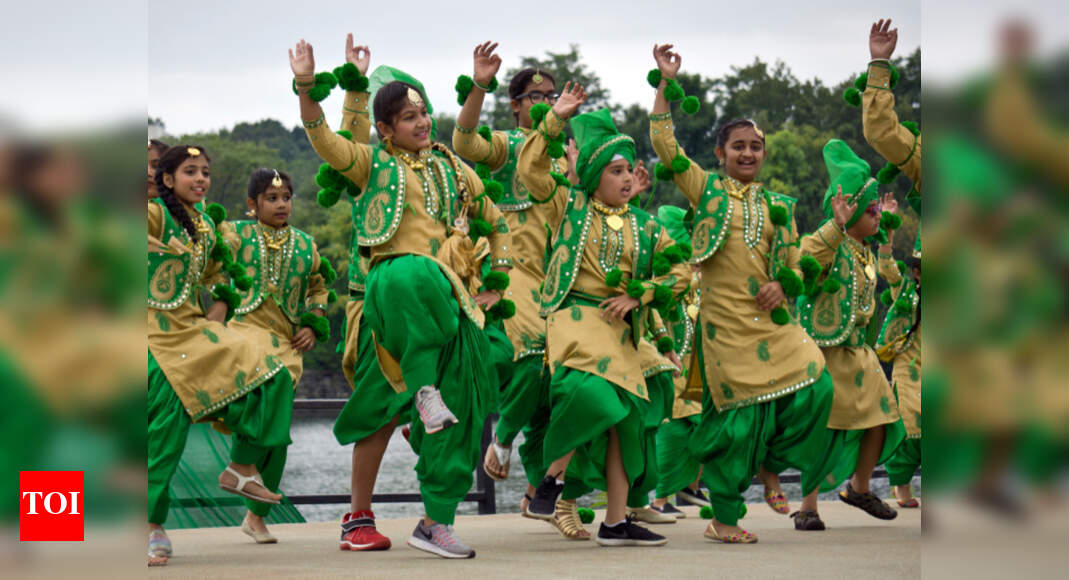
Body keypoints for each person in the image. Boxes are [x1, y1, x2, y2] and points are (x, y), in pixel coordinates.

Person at [290, 38, 513, 559]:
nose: (423, 122)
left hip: (449, 303)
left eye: (424, 113)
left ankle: (436, 522)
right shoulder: (371, 165)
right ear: (385, 128)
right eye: (410, 117)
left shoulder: (453, 168)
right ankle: (358, 517)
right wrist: (307, 85)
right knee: (380, 410)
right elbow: (325, 139)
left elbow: (496, 223)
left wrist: (496, 283)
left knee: (464, 406)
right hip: (393, 304)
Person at [648, 44, 835, 544]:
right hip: (724, 326)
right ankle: (725, 520)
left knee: (818, 386)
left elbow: (794, 265)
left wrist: (781, 283)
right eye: (738, 146)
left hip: (771, 325)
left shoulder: (779, 206)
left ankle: (769, 465)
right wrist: (665, 83)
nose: (748, 153)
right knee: (734, 426)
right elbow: (665, 144)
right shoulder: (705, 189)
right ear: (721, 153)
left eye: (755, 146)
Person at [516, 76, 691, 545]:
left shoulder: (647, 226)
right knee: (597, 398)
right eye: (616, 171)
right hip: (576, 321)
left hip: (621, 330)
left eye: (630, 169)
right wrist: (556, 118)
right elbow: (531, 170)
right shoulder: (568, 205)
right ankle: (551, 478)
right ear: (594, 176)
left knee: (626, 423)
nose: (628, 178)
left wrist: (642, 294)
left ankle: (615, 522)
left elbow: (683, 273)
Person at [148, 145, 294, 565]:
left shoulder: (207, 227)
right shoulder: (155, 213)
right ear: (168, 179)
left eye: (205, 172)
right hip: (150, 334)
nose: (201, 179)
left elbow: (221, 272)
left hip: (193, 332)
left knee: (274, 376)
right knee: (165, 430)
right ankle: (149, 524)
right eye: (190, 171)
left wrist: (222, 304)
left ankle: (242, 468)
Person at [450, 42, 567, 523]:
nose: (544, 103)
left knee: (557, 382)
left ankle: (538, 493)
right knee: (535, 351)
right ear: (516, 105)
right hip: (509, 268)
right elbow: (463, 143)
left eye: (551, 96)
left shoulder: (564, 156)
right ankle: (499, 439)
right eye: (534, 97)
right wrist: (479, 85)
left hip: (557, 274)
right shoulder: (506, 145)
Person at [789, 139, 907, 530]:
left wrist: (886, 234)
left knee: (882, 419)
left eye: (878, 210)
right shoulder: (831, 244)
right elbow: (805, 256)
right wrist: (835, 225)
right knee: (822, 431)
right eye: (871, 210)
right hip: (826, 355)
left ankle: (859, 487)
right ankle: (807, 507)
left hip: (860, 354)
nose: (877, 216)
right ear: (849, 211)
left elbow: (887, 275)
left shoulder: (864, 250)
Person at [225, 167, 334, 542]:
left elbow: (320, 287)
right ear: (252, 204)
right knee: (257, 402)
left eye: (286, 197)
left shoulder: (305, 244)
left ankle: (256, 517)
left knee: (277, 435)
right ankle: (239, 465)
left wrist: (313, 322)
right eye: (271, 198)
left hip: (286, 344)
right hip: (242, 333)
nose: (281, 204)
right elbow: (208, 262)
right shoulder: (236, 234)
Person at [649, 206, 710, 519]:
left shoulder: (693, 282)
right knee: (673, 430)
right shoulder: (667, 278)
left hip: (695, 367)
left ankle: (689, 486)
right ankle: (660, 499)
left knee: (702, 424)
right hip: (670, 365)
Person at [877, 225, 921, 508]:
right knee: (911, 425)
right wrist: (888, 235)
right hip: (909, 368)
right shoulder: (905, 293)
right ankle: (901, 484)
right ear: (917, 273)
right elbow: (887, 268)